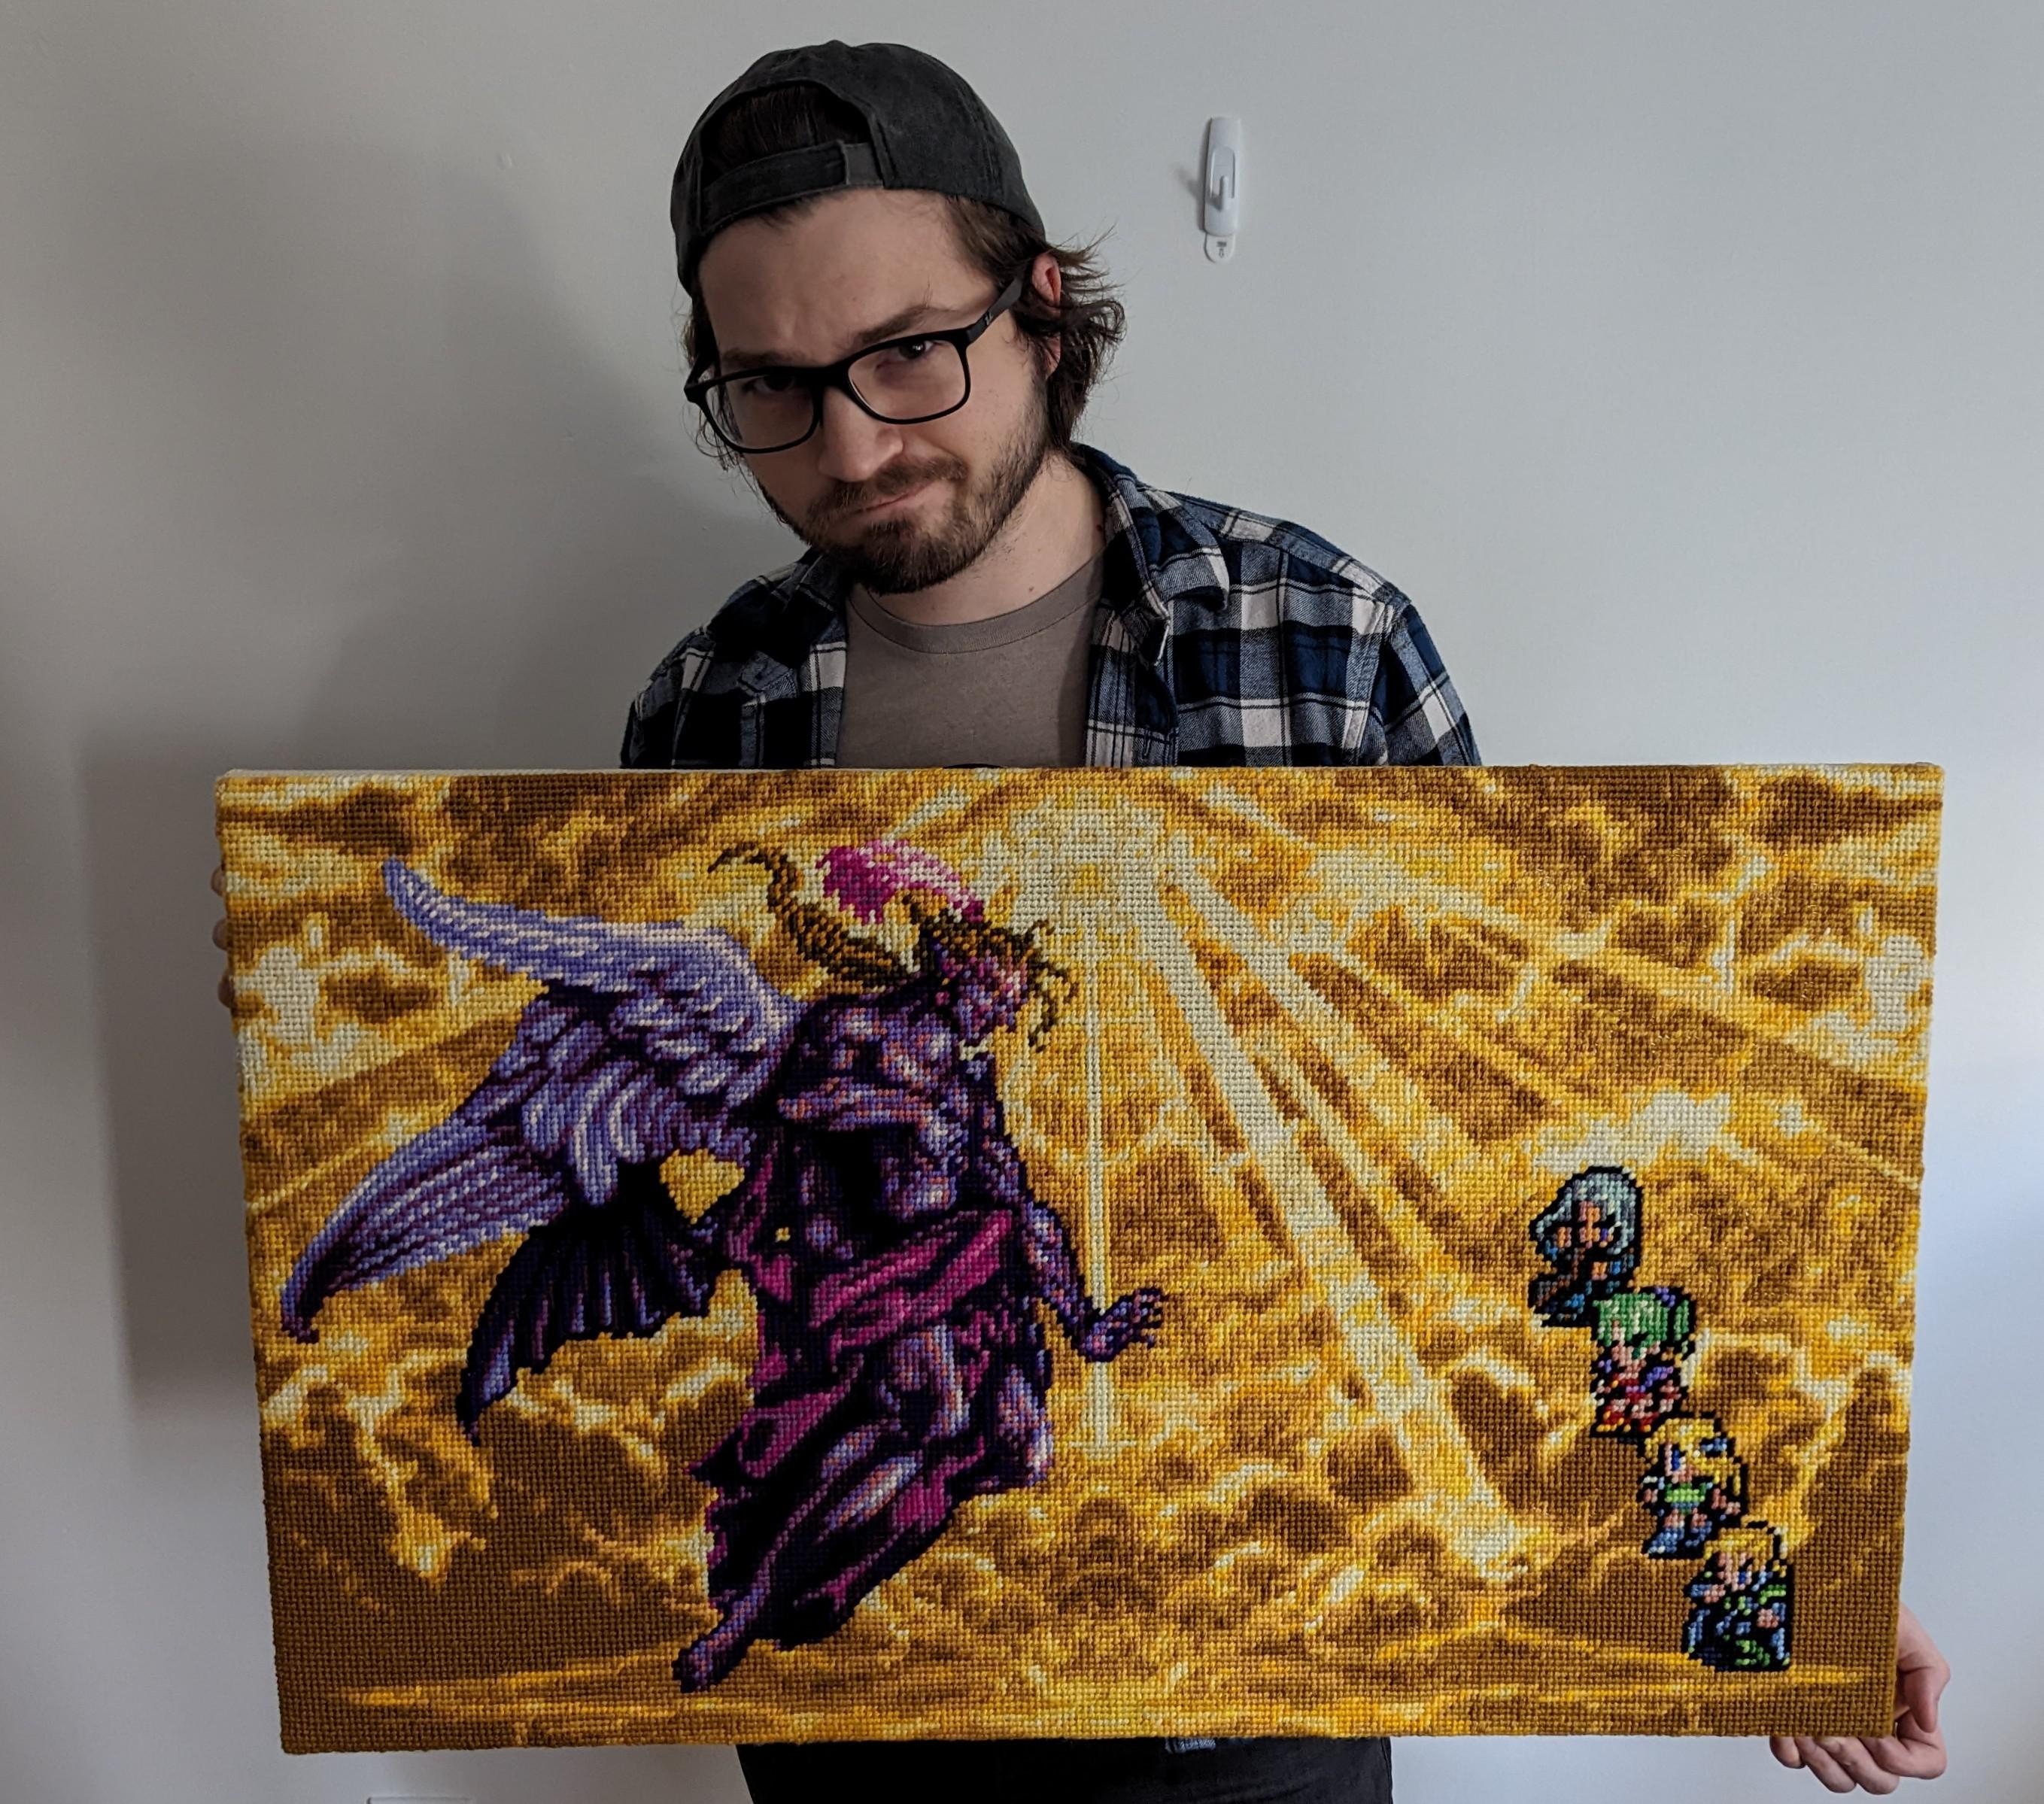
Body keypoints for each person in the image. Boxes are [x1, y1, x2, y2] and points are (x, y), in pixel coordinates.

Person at [216, 36, 1951, 1802]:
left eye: (910, 349)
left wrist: (1789, 1564)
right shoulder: (715, 704)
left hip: (1259, 1686)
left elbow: (1526, 1139)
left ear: (1041, 306)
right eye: (772, 385)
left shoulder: (1322, 643)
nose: (852, 440)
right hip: (867, 1708)